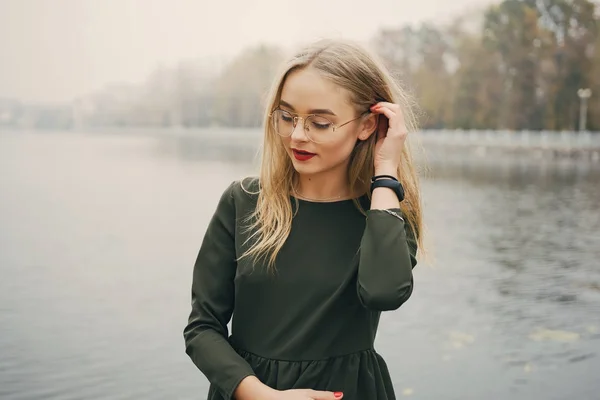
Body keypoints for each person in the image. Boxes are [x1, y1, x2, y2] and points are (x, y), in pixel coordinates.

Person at [183, 38, 424, 400]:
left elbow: (384, 292)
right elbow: (202, 328)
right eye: (287, 116)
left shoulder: (383, 214)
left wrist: (386, 172)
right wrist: (261, 395)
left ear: (368, 125)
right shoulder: (243, 202)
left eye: (320, 123)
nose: (297, 135)